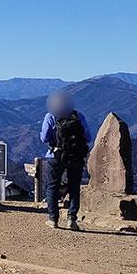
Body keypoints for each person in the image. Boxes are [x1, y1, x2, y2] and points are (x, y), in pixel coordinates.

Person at [40, 90, 92, 230]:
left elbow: (44, 137)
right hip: (75, 156)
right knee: (75, 187)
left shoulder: (50, 116)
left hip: (55, 156)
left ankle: (53, 219)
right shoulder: (78, 116)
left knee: (52, 187)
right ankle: (71, 220)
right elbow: (88, 137)